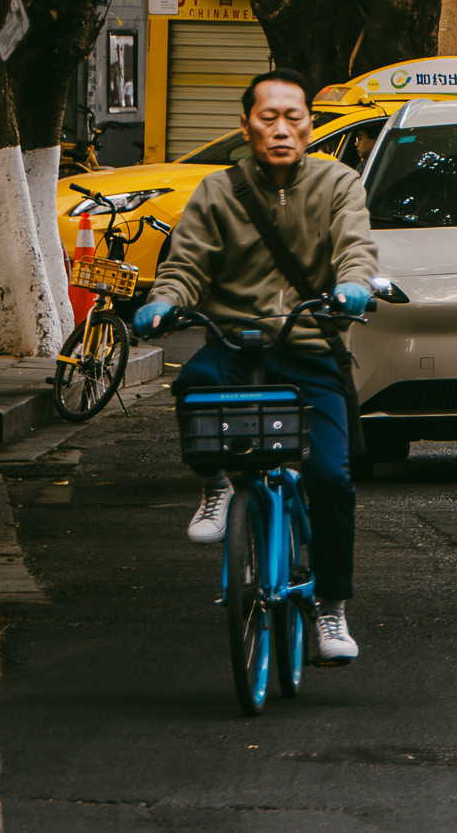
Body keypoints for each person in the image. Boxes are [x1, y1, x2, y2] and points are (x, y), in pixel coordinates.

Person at [134, 68, 380, 667]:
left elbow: (356, 247)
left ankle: (330, 606)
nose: (280, 129)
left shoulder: (339, 183)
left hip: (309, 346)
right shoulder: (218, 192)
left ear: (310, 125)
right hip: (236, 343)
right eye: (267, 118)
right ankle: (216, 485)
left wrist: (353, 286)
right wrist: (165, 301)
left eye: (293, 117)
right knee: (193, 388)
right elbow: (186, 261)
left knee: (330, 477)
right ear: (245, 127)